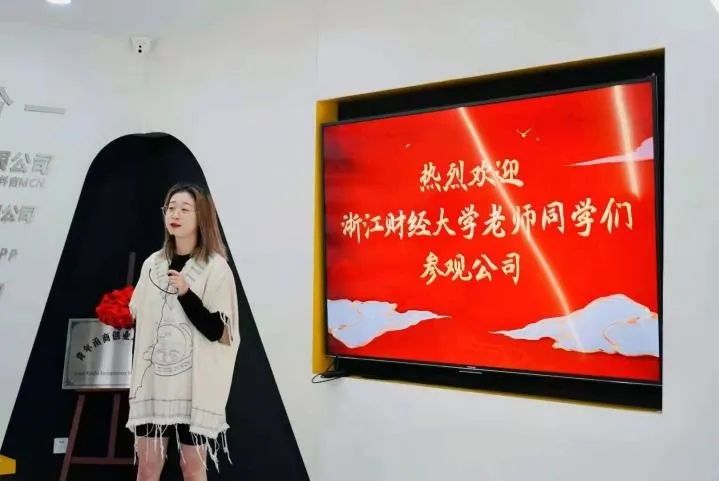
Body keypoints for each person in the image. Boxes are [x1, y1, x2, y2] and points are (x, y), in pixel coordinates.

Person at [126, 183, 240, 481]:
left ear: (201, 216)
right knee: (147, 467)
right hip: (154, 384)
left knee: (192, 469)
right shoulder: (152, 264)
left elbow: (220, 331)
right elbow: (139, 314)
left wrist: (187, 294)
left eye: (185, 209)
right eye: (170, 208)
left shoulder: (215, 268)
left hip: (194, 387)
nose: (175, 214)